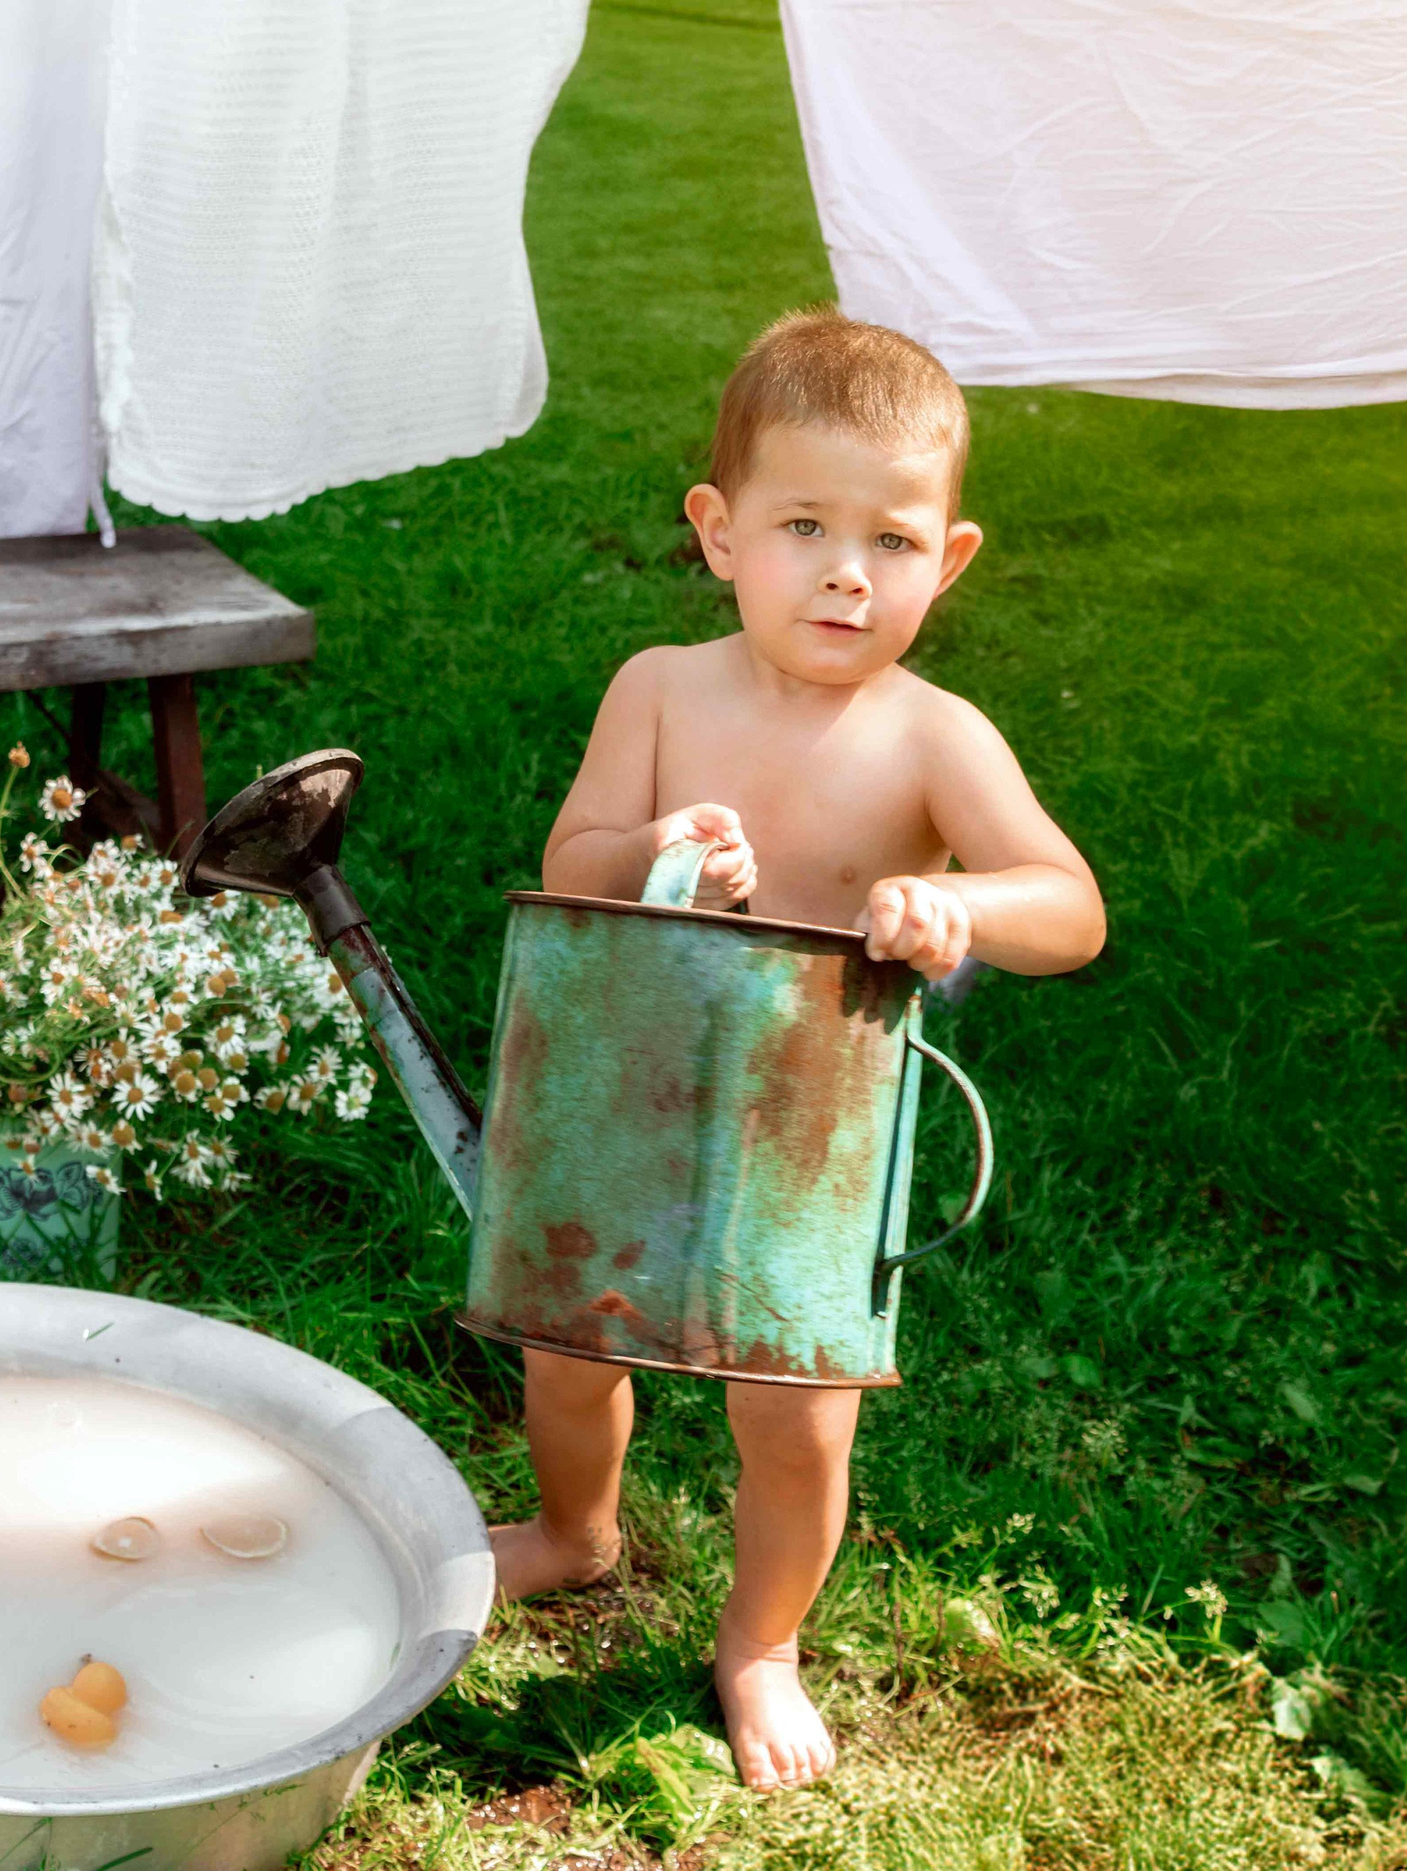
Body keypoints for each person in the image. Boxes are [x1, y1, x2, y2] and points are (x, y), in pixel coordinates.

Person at [510, 309, 1107, 1791]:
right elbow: (571, 862)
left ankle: (760, 1639)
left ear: (947, 559)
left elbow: (1071, 909)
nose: (849, 570)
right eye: (803, 525)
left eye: (893, 541)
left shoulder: (933, 739)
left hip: (812, 1130)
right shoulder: (659, 688)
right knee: (569, 1354)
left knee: (794, 1415)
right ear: (718, 533)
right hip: (636, 1085)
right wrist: (652, 846)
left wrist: (955, 900)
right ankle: (576, 1531)